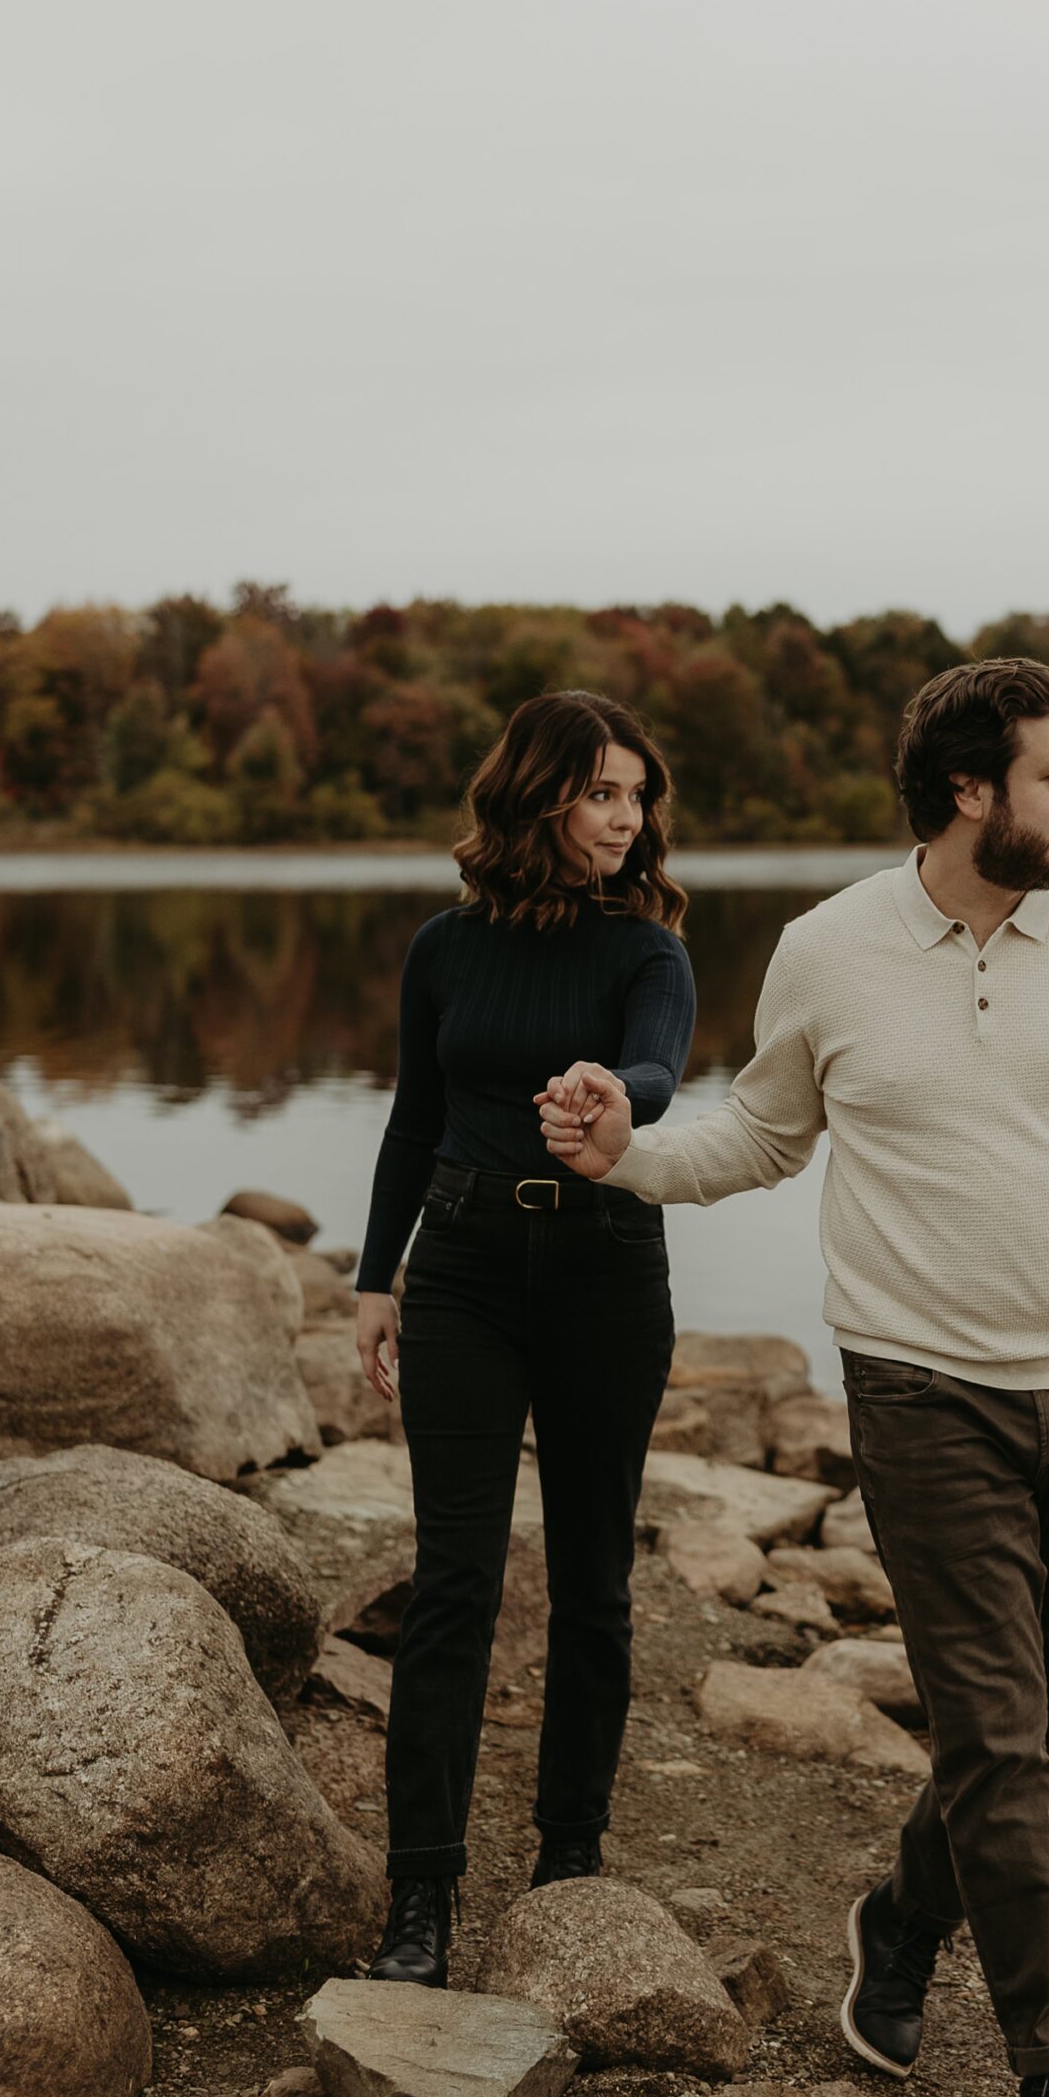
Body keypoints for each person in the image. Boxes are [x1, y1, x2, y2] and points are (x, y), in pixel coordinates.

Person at [536, 657, 1049, 2097]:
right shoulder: (832, 949)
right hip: (921, 1394)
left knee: (1040, 1730)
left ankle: (902, 1924)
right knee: (999, 1743)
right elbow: (766, 1132)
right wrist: (625, 1155)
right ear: (972, 792)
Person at [352, 690, 696, 1990]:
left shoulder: (646, 953)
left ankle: (566, 1861)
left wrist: (617, 1093)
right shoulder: (444, 948)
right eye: (603, 792)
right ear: (541, 795)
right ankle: (421, 1897)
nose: (626, 818)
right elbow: (410, 1114)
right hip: (466, 1272)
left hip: (607, 1271)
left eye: (638, 797)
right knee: (456, 1584)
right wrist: (373, 1278)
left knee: (596, 1578)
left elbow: (660, 1071)